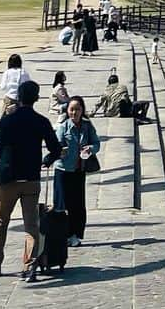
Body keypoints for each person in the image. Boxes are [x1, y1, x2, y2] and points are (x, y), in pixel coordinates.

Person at [0, 79, 62, 280]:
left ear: (19, 97)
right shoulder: (41, 121)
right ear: (36, 98)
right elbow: (55, 148)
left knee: (1, 222)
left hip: (8, 179)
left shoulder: (8, 120)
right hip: (31, 179)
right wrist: (47, 159)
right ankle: (29, 265)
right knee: (31, 224)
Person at [54, 95, 100, 248]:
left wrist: (91, 148)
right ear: (67, 111)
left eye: (77, 109)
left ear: (82, 110)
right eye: (72, 110)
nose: (74, 113)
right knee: (63, 204)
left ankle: (76, 234)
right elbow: (56, 145)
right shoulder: (63, 126)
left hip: (79, 170)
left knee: (78, 204)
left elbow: (96, 143)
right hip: (63, 170)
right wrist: (60, 150)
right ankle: (63, 234)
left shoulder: (87, 126)